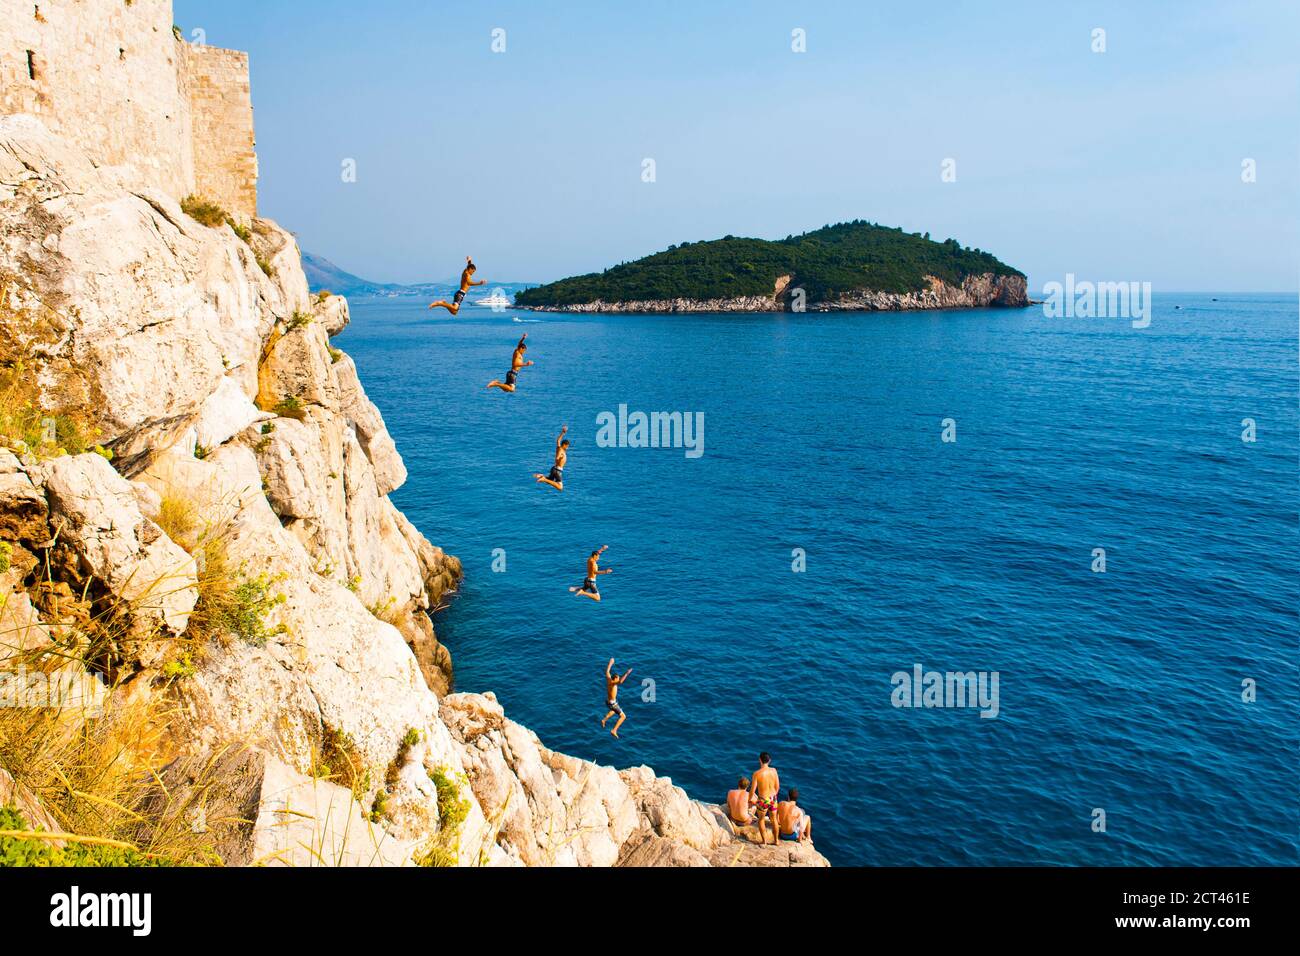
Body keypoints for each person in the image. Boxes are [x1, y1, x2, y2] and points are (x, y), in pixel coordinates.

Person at [748, 752, 781, 846]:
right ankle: (776, 841)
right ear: (769, 760)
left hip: (763, 800)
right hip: (773, 798)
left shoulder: (757, 774)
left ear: (760, 760)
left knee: (761, 820)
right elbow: (777, 786)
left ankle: (764, 842)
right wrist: (773, 797)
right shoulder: (774, 770)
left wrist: (750, 800)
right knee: (774, 819)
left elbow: (752, 790)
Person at [601, 657, 633, 738]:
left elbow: (607, 671)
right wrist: (627, 673)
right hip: (612, 704)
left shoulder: (609, 679)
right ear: (615, 679)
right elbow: (621, 681)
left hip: (608, 702)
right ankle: (614, 730)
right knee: (623, 716)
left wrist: (611, 662)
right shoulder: (613, 683)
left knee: (614, 711)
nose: (618, 679)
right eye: (617, 678)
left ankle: (604, 720)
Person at [533, 425, 568, 490]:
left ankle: (542, 476)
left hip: (554, 468)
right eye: (567, 446)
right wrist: (558, 457)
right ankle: (543, 479)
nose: (567, 448)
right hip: (558, 470)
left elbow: (558, 440)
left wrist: (563, 433)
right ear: (565, 445)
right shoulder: (561, 450)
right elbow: (557, 457)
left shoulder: (559, 448)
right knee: (560, 487)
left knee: (550, 480)